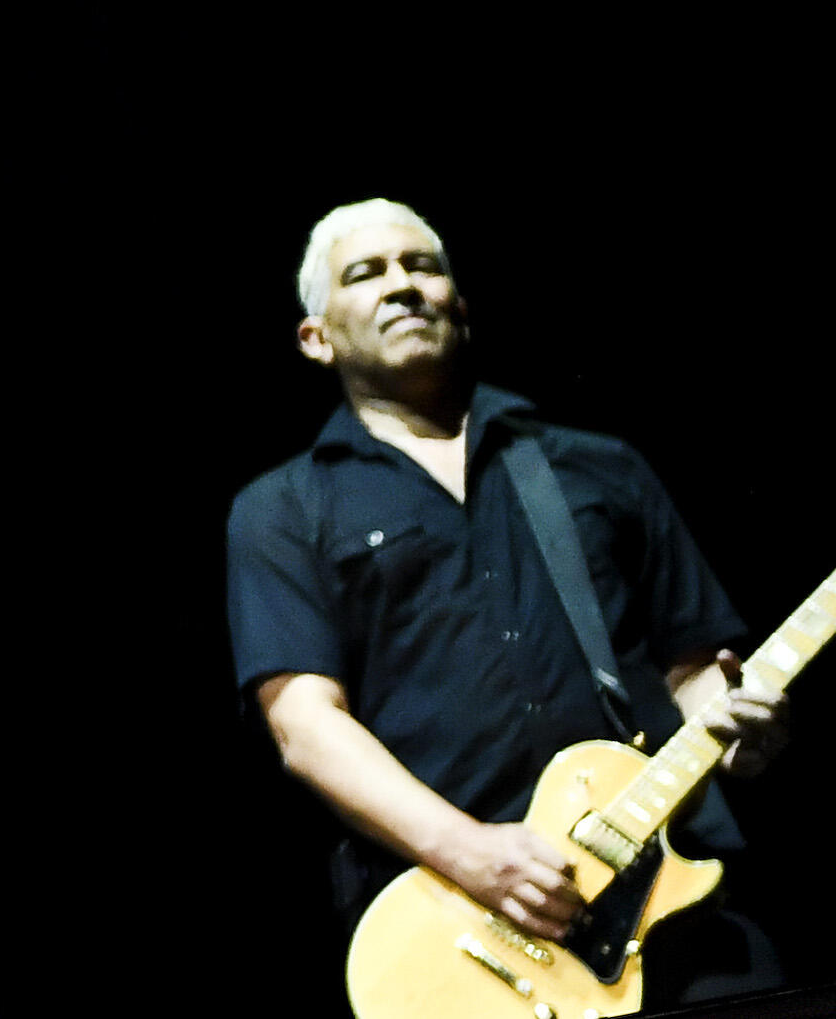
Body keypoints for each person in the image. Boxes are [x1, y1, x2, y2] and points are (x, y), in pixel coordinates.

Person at [224, 198, 790, 1005]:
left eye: (422, 267)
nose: (402, 285)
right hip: (460, 934)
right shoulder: (283, 510)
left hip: (671, 897)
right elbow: (306, 726)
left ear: (460, 305)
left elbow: (693, 667)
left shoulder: (596, 466)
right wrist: (471, 853)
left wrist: (735, 730)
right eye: (366, 273)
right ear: (316, 338)